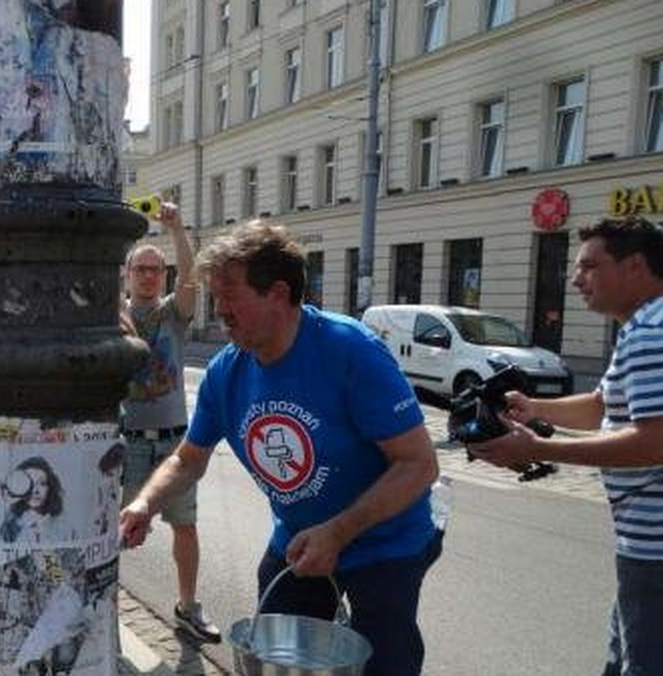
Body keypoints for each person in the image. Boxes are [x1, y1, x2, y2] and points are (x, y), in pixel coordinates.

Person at [120, 220, 441, 676]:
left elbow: (418, 465)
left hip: (384, 541)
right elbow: (188, 459)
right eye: (215, 296)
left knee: (385, 662)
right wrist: (145, 503)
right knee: (274, 658)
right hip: (299, 542)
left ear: (278, 293)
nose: (220, 310)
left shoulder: (350, 351)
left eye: (231, 296)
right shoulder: (226, 373)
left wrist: (338, 531)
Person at [469, 216, 663, 676]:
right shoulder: (644, 324)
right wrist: (534, 407)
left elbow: (655, 442)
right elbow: (601, 406)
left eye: (589, 267)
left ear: (635, 266)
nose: (575, 279)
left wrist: (537, 448)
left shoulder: (651, 334)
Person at [120, 202, 220, 642]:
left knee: (185, 524)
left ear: (164, 276)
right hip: (128, 441)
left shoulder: (173, 315)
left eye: (155, 269)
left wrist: (177, 227)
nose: (147, 276)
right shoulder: (116, 313)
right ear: (127, 274)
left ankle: (187, 606)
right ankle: (104, 605)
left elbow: (193, 277)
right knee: (114, 526)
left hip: (175, 444)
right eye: (140, 269)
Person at [0, 456, 66, 544]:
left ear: (50, 487)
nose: (35, 490)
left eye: (42, 483)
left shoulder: (63, 527)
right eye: (30, 484)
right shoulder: (10, 525)